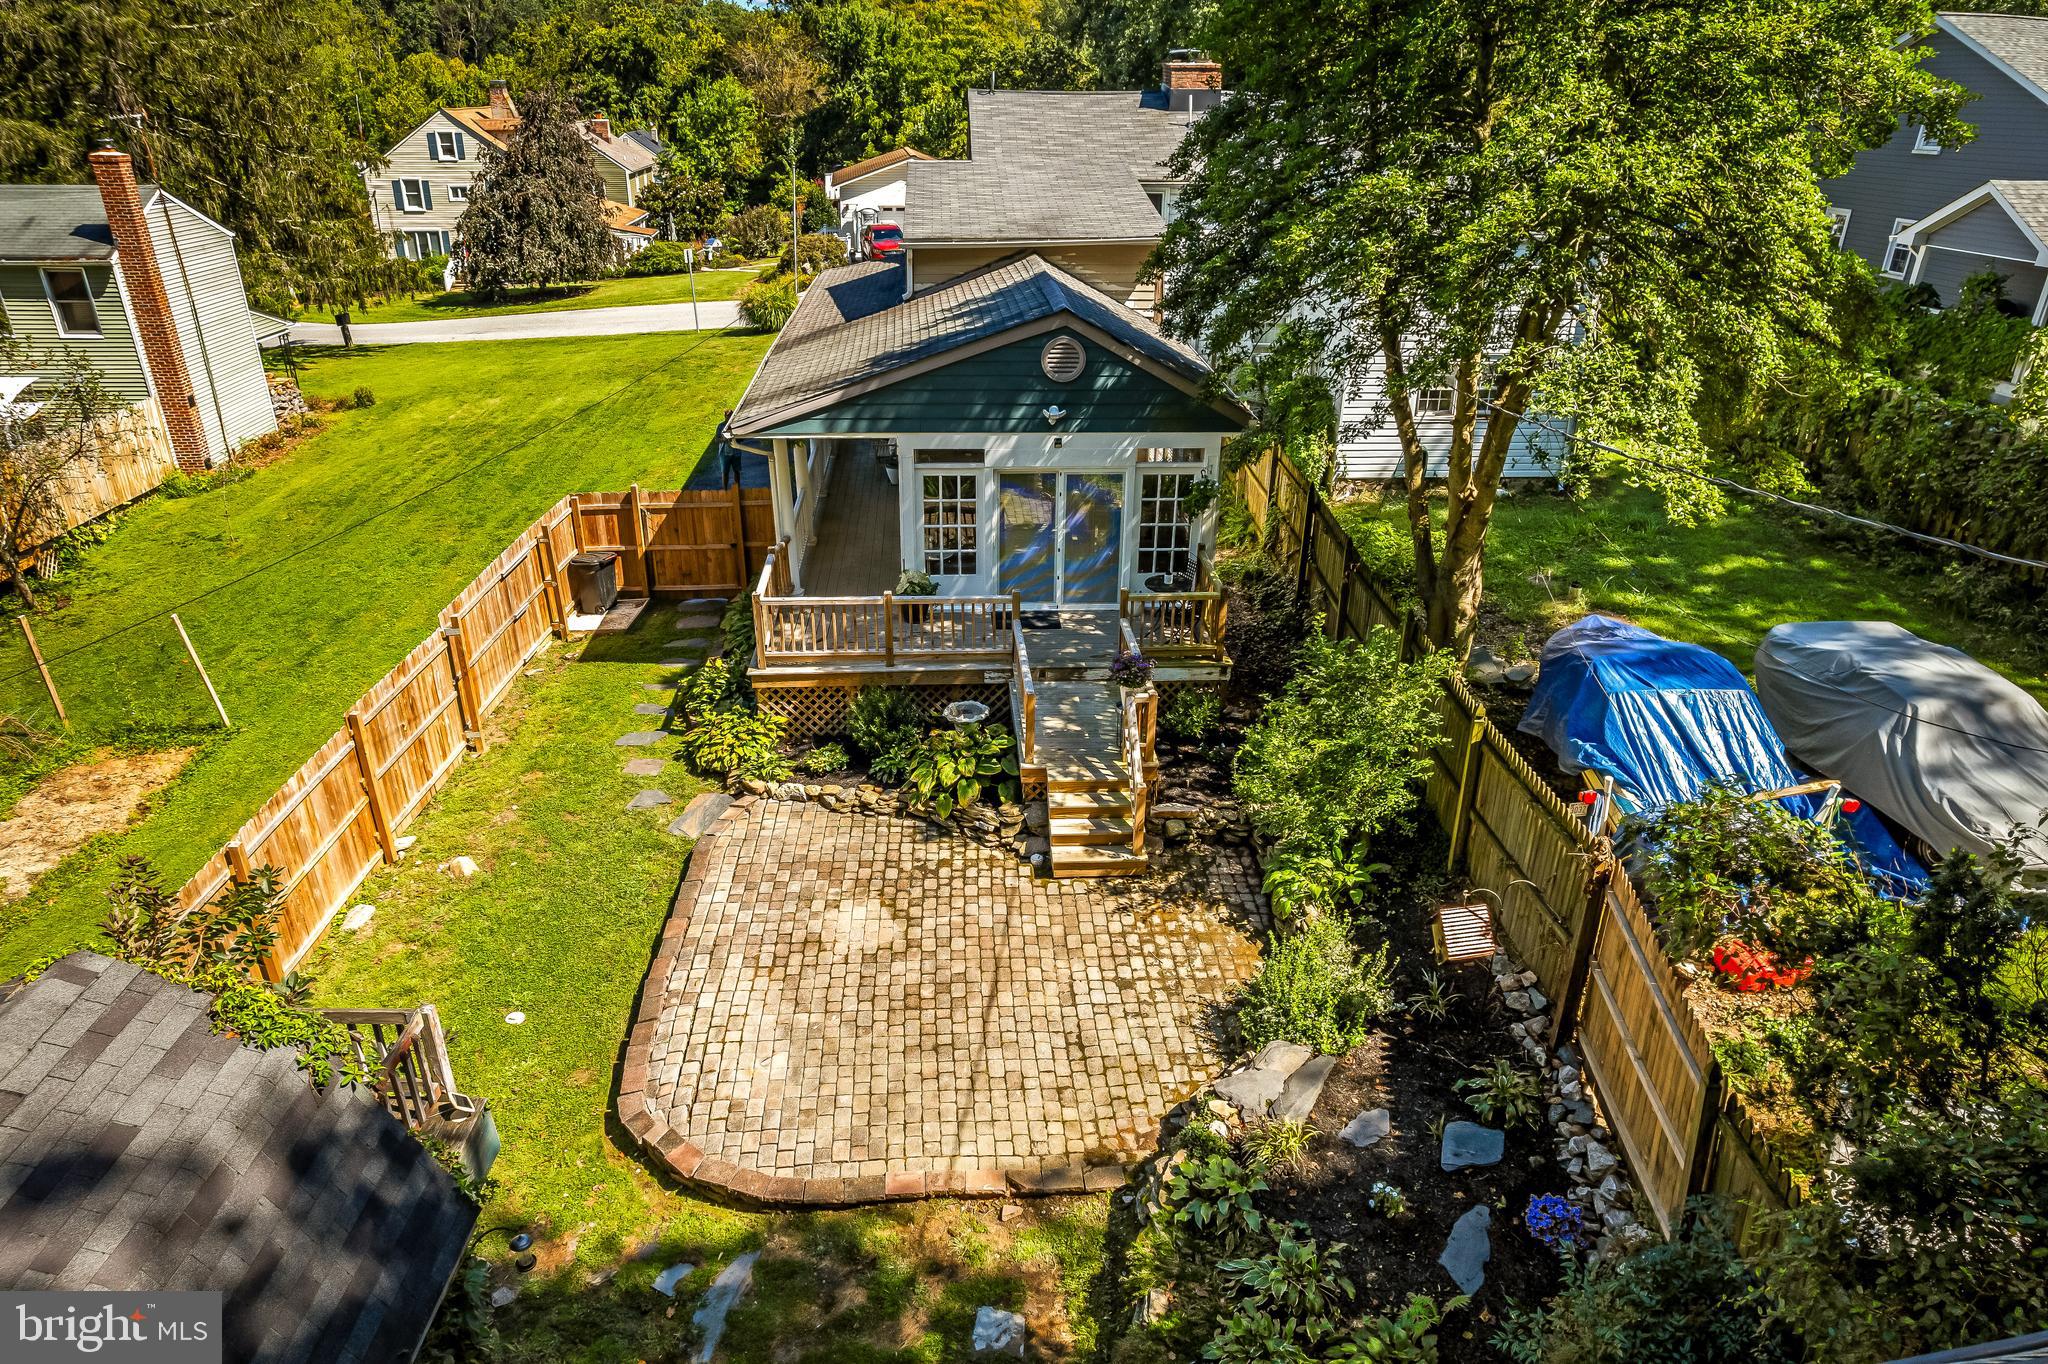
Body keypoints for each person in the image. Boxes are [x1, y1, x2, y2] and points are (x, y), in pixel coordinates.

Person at [718, 409, 744, 488]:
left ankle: (738, 488)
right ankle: (725, 490)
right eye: (728, 416)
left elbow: (743, 438)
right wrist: (724, 439)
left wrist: (735, 437)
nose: (730, 418)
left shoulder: (737, 425)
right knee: (725, 472)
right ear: (725, 416)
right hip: (724, 453)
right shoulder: (721, 426)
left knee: (736, 471)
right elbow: (716, 439)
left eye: (731, 416)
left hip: (736, 452)